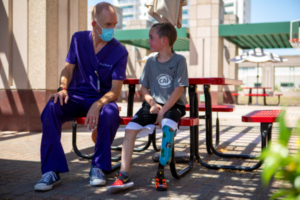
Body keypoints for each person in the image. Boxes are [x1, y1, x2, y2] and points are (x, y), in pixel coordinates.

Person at [34, 2, 128, 191]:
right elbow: (68, 69)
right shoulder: (78, 40)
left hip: (103, 99)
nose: (112, 29)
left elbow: (116, 91)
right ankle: (51, 170)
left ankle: (98, 167)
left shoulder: (120, 51)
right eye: (108, 25)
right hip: (76, 97)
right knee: (52, 106)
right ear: (95, 24)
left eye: (114, 24)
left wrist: (98, 103)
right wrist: (62, 88)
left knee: (110, 113)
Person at [108, 23, 189, 193]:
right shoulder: (150, 61)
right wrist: (152, 103)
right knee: (130, 130)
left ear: (164, 41)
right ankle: (123, 175)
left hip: (174, 105)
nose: (148, 40)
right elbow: (143, 88)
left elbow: (178, 89)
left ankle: (160, 174)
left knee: (167, 128)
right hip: (152, 105)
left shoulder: (179, 60)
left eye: (151, 37)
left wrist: (164, 110)